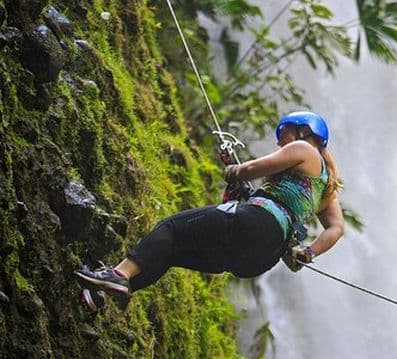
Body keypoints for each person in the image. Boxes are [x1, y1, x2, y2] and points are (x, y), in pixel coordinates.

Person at [75, 110, 345, 311]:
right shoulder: (326, 185)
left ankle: (118, 274)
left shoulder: (303, 149)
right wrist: (308, 253)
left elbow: (252, 169)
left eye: (283, 133)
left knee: (170, 229)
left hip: (258, 222)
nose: (280, 142)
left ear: (303, 131)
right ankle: (105, 293)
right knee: (169, 252)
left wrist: (236, 170)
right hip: (262, 257)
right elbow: (336, 228)